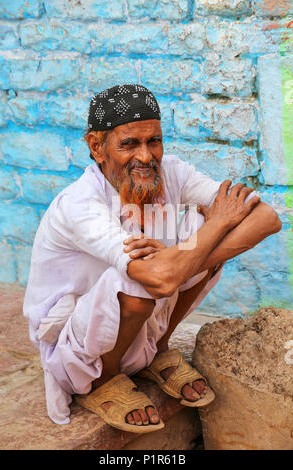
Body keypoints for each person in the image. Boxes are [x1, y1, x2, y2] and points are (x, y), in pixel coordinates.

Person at [23, 84, 282, 433]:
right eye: (129, 144)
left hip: (140, 328)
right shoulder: (80, 204)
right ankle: (105, 380)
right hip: (79, 348)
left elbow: (267, 218)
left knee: (197, 244)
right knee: (142, 273)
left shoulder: (173, 172)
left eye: (154, 141)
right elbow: (158, 278)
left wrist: (188, 255)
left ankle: (155, 352)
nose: (145, 156)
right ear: (96, 147)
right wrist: (216, 224)